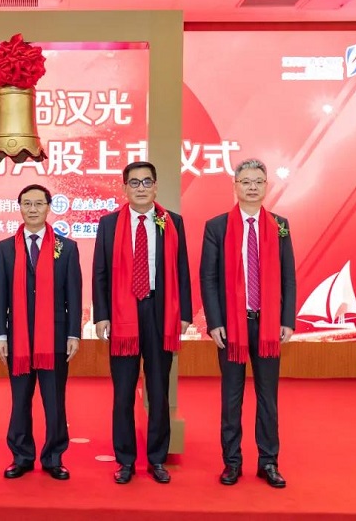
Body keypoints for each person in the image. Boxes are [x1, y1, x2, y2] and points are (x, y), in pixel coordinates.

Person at [92, 161, 192, 485]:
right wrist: (102, 315)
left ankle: (157, 459)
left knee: (158, 390)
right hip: (123, 316)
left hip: (160, 312)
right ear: (125, 188)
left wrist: (185, 314)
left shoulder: (172, 222)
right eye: (134, 183)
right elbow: (100, 273)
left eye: (147, 181)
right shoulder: (109, 224)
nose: (141, 188)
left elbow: (182, 270)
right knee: (123, 392)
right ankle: (125, 460)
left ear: (155, 186)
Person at [199, 158, 296, 489]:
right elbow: (208, 278)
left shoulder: (280, 226)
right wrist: (214, 322)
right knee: (232, 398)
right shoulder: (217, 227)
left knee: (268, 398)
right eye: (246, 182)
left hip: (268, 326)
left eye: (258, 181)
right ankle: (232, 462)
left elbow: (288, 277)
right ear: (235, 186)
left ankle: (268, 462)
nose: (252, 187)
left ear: (266, 186)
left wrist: (286, 320)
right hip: (231, 327)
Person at [0, 184, 82, 481]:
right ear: (19, 207)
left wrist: (73, 334)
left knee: (54, 401)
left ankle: (54, 457)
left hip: (54, 338)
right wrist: (0, 335)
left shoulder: (66, 248)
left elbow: (74, 294)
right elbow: (0, 295)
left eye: (38, 203)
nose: (32, 209)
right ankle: (21, 456)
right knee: (20, 400)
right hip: (17, 338)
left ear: (48, 207)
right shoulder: (6, 248)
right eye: (27, 204)